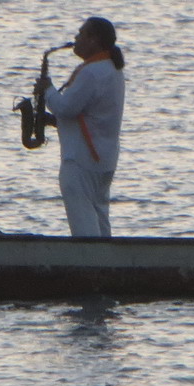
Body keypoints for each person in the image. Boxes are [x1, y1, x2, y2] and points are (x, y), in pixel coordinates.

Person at [36, 17, 125, 237]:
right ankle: (107, 264)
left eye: (81, 34)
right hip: (104, 158)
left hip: (80, 159)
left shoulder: (90, 73)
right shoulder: (112, 70)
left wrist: (47, 89)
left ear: (94, 40)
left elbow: (66, 108)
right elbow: (90, 115)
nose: (75, 39)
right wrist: (50, 120)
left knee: (83, 223)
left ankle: (88, 266)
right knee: (100, 219)